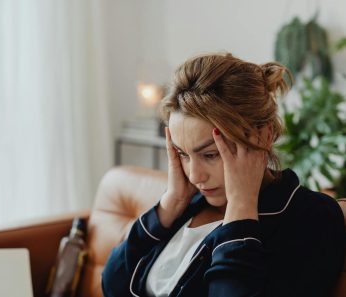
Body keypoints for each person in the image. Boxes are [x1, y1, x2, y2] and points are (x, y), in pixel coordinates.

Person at [101, 52, 345, 297]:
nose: (195, 176)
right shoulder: (189, 203)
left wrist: (241, 207)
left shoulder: (311, 217)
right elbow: (112, 284)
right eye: (182, 154)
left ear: (264, 136)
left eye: (210, 154)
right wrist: (170, 203)